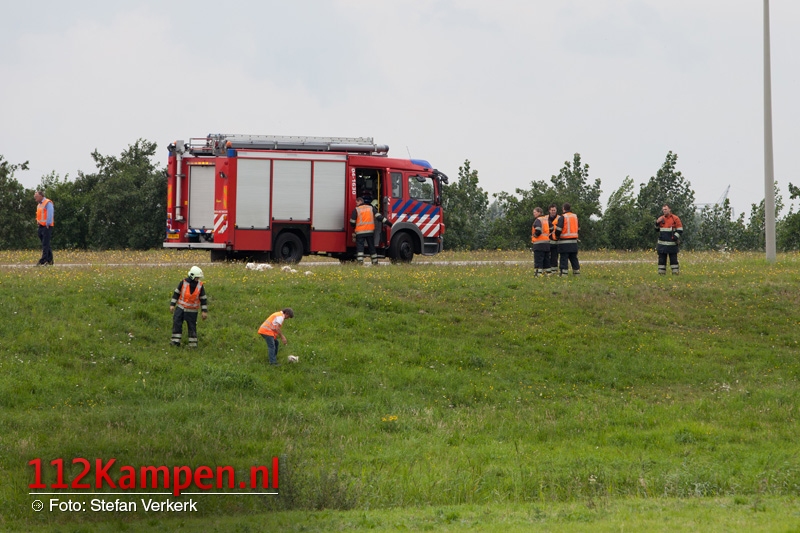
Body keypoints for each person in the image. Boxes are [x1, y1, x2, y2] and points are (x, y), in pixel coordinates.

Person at [169, 266, 208, 347]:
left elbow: (203, 299)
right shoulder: (183, 283)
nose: (198, 279)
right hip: (180, 309)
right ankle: (175, 342)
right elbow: (176, 294)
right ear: (192, 276)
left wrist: (204, 311)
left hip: (192, 311)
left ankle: (193, 345)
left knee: (192, 327)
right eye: (197, 277)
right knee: (177, 323)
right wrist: (172, 305)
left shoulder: (200, 285)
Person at [350, 196, 392, 265]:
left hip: (360, 232)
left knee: (360, 248)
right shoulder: (371, 208)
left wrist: (354, 227)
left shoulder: (356, 210)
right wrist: (389, 223)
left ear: (360, 201)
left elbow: (352, 222)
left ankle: (360, 262)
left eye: (357, 202)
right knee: (372, 247)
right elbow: (379, 217)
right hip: (370, 232)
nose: (356, 204)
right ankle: (375, 262)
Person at [656, 203, 683, 275]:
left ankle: (675, 274)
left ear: (669, 209)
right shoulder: (661, 219)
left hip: (672, 245)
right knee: (661, 261)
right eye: (663, 209)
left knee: (673, 261)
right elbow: (656, 230)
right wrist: (657, 223)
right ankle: (661, 275)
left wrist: (675, 237)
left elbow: (680, 230)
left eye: (665, 209)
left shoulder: (675, 218)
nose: (664, 211)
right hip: (662, 245)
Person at [555, 202, 580, 276]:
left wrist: (557, 236)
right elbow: (578, 228)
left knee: (564, 258)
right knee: (573, 258)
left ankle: (564, 273)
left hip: (564, 242)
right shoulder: (575, 216)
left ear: (563, 209)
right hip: (574, 242)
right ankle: (576, 273)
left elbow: (559, 229)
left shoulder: (563, 217)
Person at [34, 190, 54, 266]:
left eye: (36, 196)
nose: (35, 198)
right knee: (45, 243)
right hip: (41, 226)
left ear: (41, 196)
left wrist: (48, 223)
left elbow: (50, 213)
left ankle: (43, 260)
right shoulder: (39, 205)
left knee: (45, 244)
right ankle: (50, 260)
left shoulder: (47, 203)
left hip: (46, 226)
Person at [531, 207, 551, 277]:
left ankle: (538, 274)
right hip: (546, 243)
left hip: (539, 244)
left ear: (539, 212)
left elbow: (538, 230)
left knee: (538, 260)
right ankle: (547, 274)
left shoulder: (538, 220)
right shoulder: (546, 220)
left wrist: (535, 235)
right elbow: (551, 228)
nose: (534, 214)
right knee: (546, 260)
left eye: (535, 212)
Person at [547, 204, 559, 274]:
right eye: (552, 210)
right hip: (547, 240)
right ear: (549, 210)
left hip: (556, 241)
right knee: (547, 256)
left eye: (554, 210)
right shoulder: (545, 218)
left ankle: (554, 271)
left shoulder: (560, 218)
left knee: (555, 257)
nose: (553, 211)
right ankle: (548, 270)